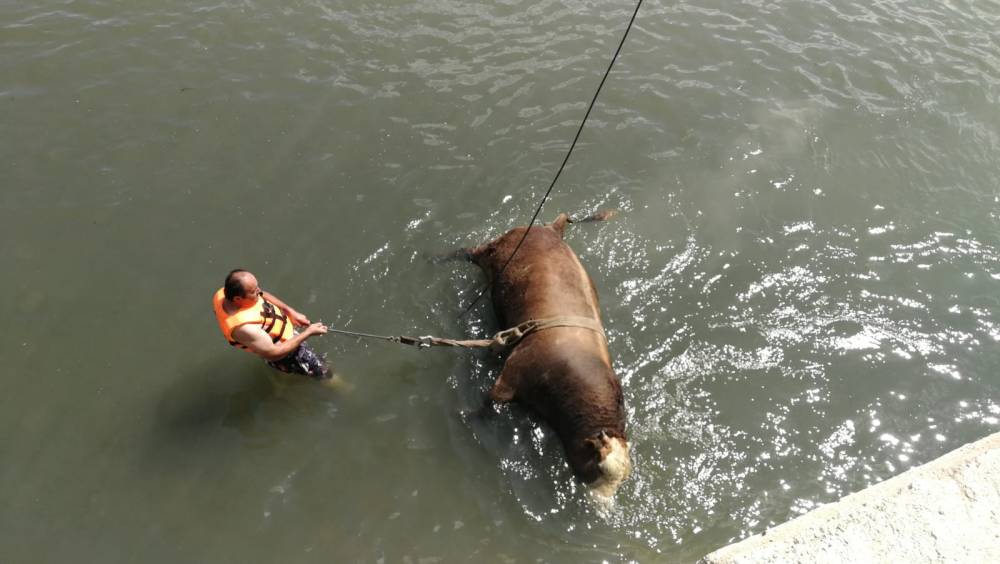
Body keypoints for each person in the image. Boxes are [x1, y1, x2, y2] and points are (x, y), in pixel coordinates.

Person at [212, 269, 331, 379]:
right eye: (253, 291)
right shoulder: (243, 328)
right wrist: (308, 332)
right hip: (286, 354)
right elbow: (273, 354)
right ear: (238, 299)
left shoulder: (223, 294)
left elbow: (262, 295)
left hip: (270, 338)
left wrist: (290, 312)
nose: (259, 291)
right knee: (323, 373)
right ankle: (344, 387)